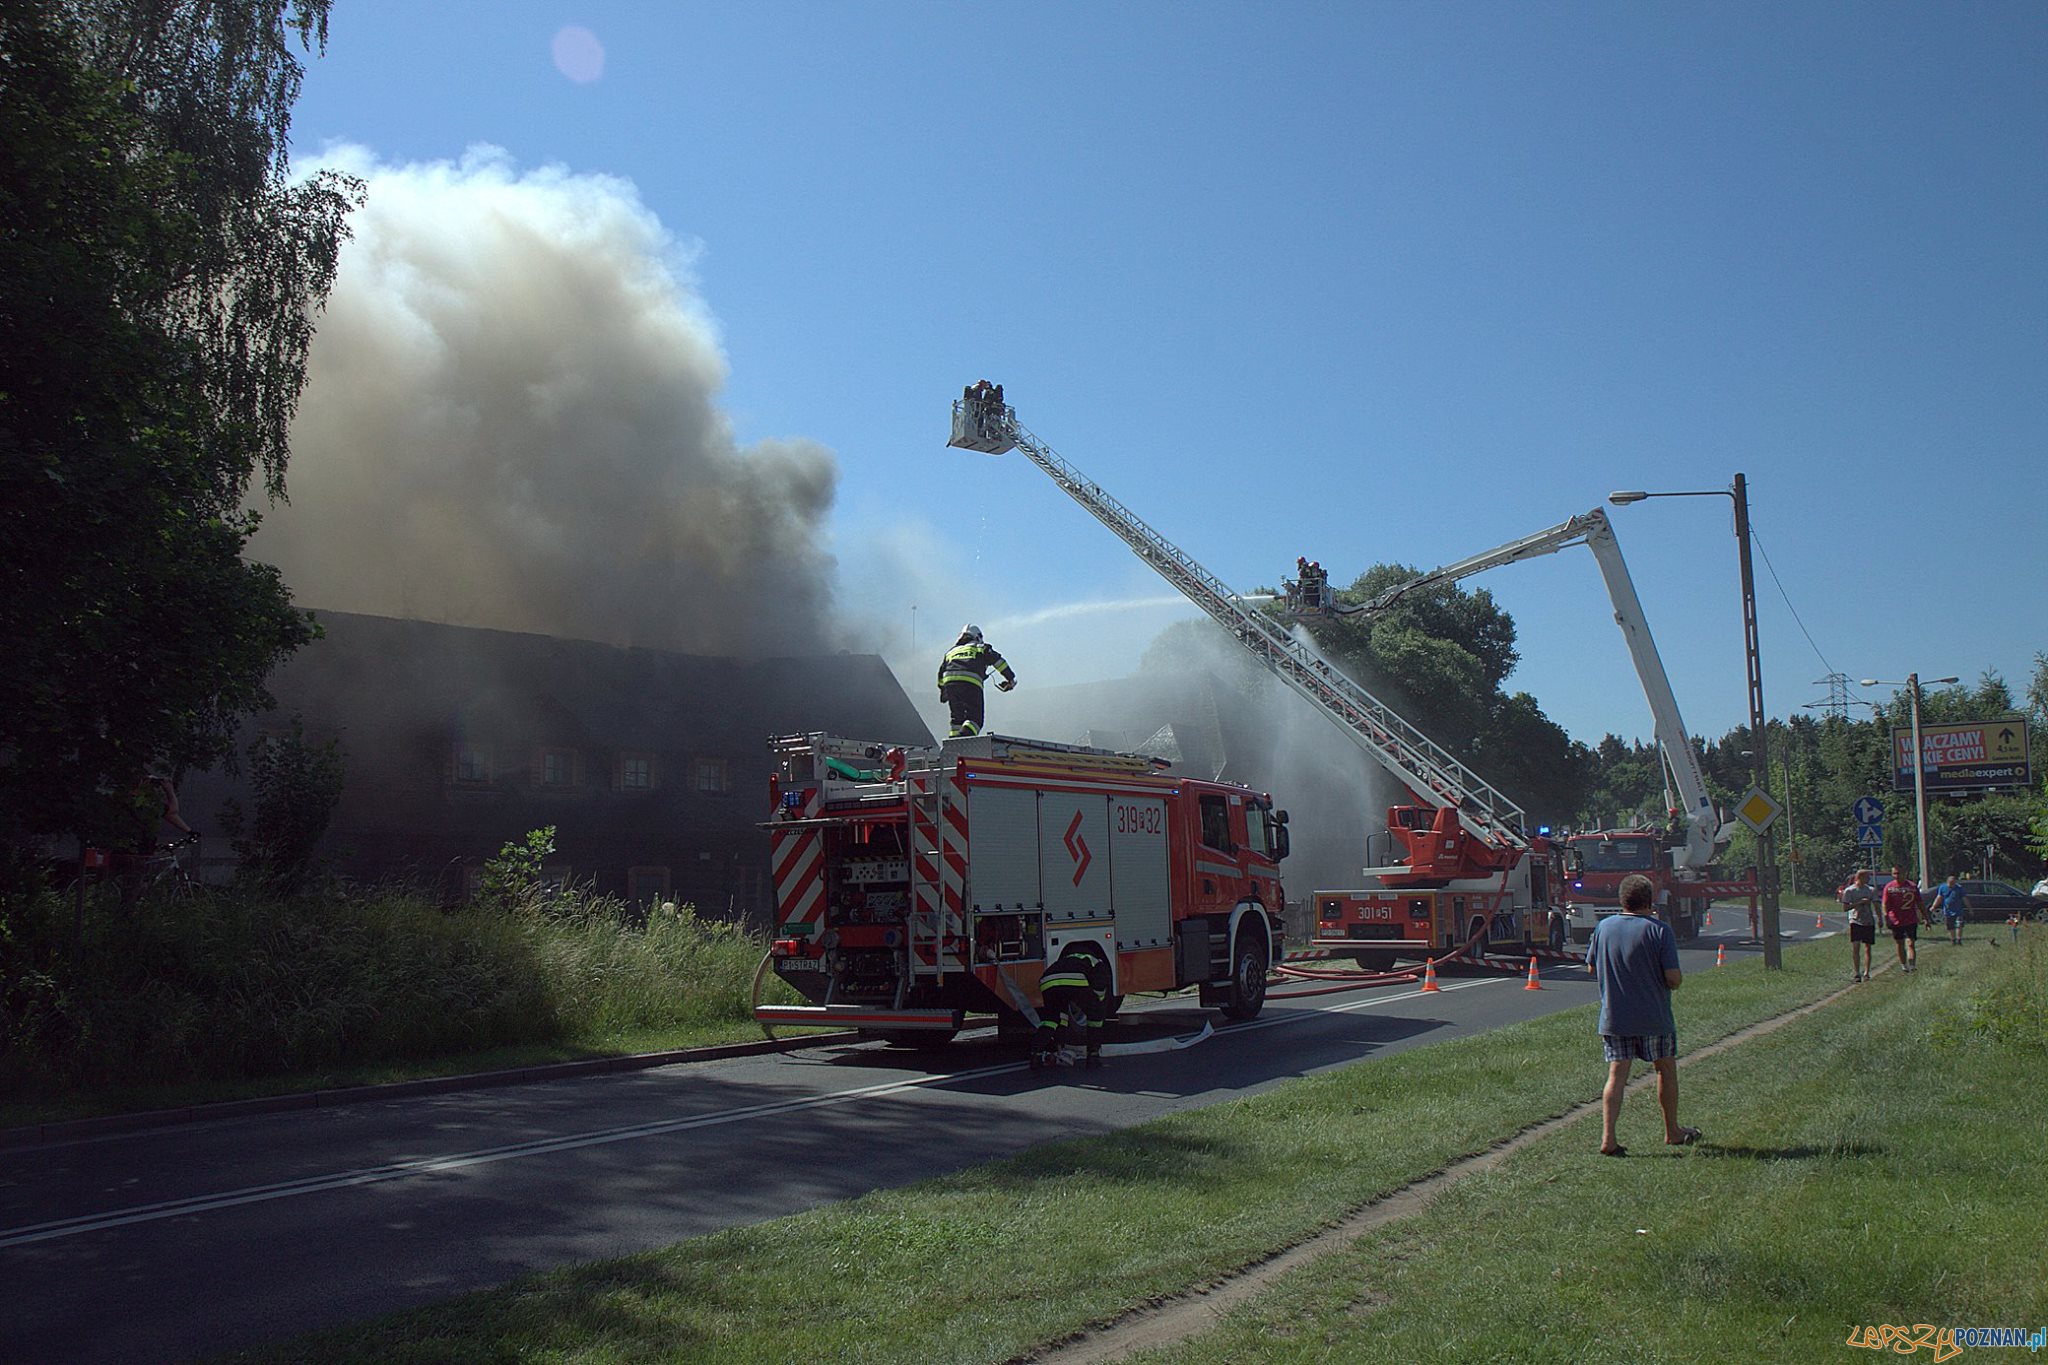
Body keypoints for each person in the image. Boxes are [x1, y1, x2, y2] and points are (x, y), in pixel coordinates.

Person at [1587, 872, 1696, 1155]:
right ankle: (1672, 1131)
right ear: (1650, 900)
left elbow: (1591, 967)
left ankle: (1608, 1138)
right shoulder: (1659, 931)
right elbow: (1672, 977)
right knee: (1665, 1070)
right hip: (1653, 1016)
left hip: (1615, 1017)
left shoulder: (1603, 928)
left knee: (1617, 1075)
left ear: (1622, 900)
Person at [1033, 938, 1112, 1069]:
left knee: (1051, 1019)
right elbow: (1099, 991)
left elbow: (1063, 1016)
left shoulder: (1068, 960)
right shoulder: (1098, 964)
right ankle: (1093, 1056)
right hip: (1074, 979)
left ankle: (1036, 1055)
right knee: (1095, 1016)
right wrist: (1098, 1005)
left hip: (1047, 982)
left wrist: (1060, 1040)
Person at [936, 624, 1016, 738]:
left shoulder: (951, 652)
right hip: (970, 684)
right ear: (977, 637)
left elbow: (940, 674)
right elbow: (999, 662)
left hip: (950, 684)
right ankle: (962, 739)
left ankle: (952, 742)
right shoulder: (980, 647)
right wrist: (1010, 678)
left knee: (957, 719)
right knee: (975, 720)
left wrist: (943, 692)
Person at [1882, 864, 1924, 973]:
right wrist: (1886, 916)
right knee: (1899, 943)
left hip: (1910, 919)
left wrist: (1925, 917)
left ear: (1904, 873)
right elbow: (1885, 904)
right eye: (1894, 873)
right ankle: (1904, 965)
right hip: (1895, 920)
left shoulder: (1912, 886)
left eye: (1899, 873)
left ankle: (1912, 966)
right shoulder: (1889, 887)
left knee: (1911, 943)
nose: (1897, 876)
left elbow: (1919, 902)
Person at [1839, 868, 1880, 982]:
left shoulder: (1871, 890)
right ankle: (1857, 972)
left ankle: (1866, 972)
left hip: (1868, 920)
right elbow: (1845, 908)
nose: (1869, 879)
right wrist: (1859, 903)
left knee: (1868, 947)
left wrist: (1880, 919)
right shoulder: (1849, 891)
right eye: (1867, 877)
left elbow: (1876, 905)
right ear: (1860, 877)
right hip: (1855, 920)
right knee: (1856, 946)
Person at [1928, 873, 1968, 947]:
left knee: (1959, 925)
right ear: (1947, 882)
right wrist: (1933, 906)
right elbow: (1939, 898)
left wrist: (1969, 907)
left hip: (1958, 911)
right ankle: (1953, 940)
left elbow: (1964, 898)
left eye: (1953, 883)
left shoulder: (1959, 888)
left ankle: (1959, 940)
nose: (1952, 885)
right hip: (1948, 911)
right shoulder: (1942, 887)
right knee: (1950, 926)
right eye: (1950, 883)